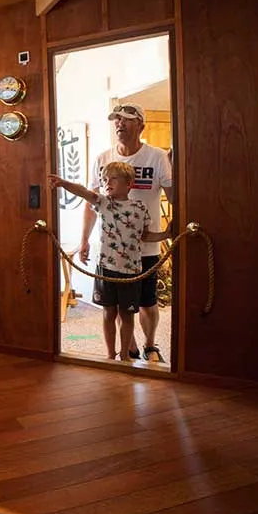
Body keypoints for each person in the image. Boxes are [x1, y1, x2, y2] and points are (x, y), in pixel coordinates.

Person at [81, 103, 175, 363]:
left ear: (141, 125)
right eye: (116, 120)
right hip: (110, 253)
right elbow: (92, 203)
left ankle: (150, 344)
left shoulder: (157, 157)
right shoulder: (103, 158)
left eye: (127, 120)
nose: (120, 124)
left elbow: (174, 196)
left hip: (145, 249)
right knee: (115, 306)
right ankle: (127, 348)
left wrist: (172, 230)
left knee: (147, 301)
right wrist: (84, 240)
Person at [50, 163, 169, 361]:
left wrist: (165, 234)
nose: (107, 183)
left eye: (112, 178)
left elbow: (145, 236)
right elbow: (83, 192)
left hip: (131, 271)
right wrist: (64, 183)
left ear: (129, 183)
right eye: (105, 179)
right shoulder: (103, 203)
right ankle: (109, 354)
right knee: (108, 313)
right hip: (106, 269)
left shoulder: (139, 207)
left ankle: (124, 355)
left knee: (127, 315)